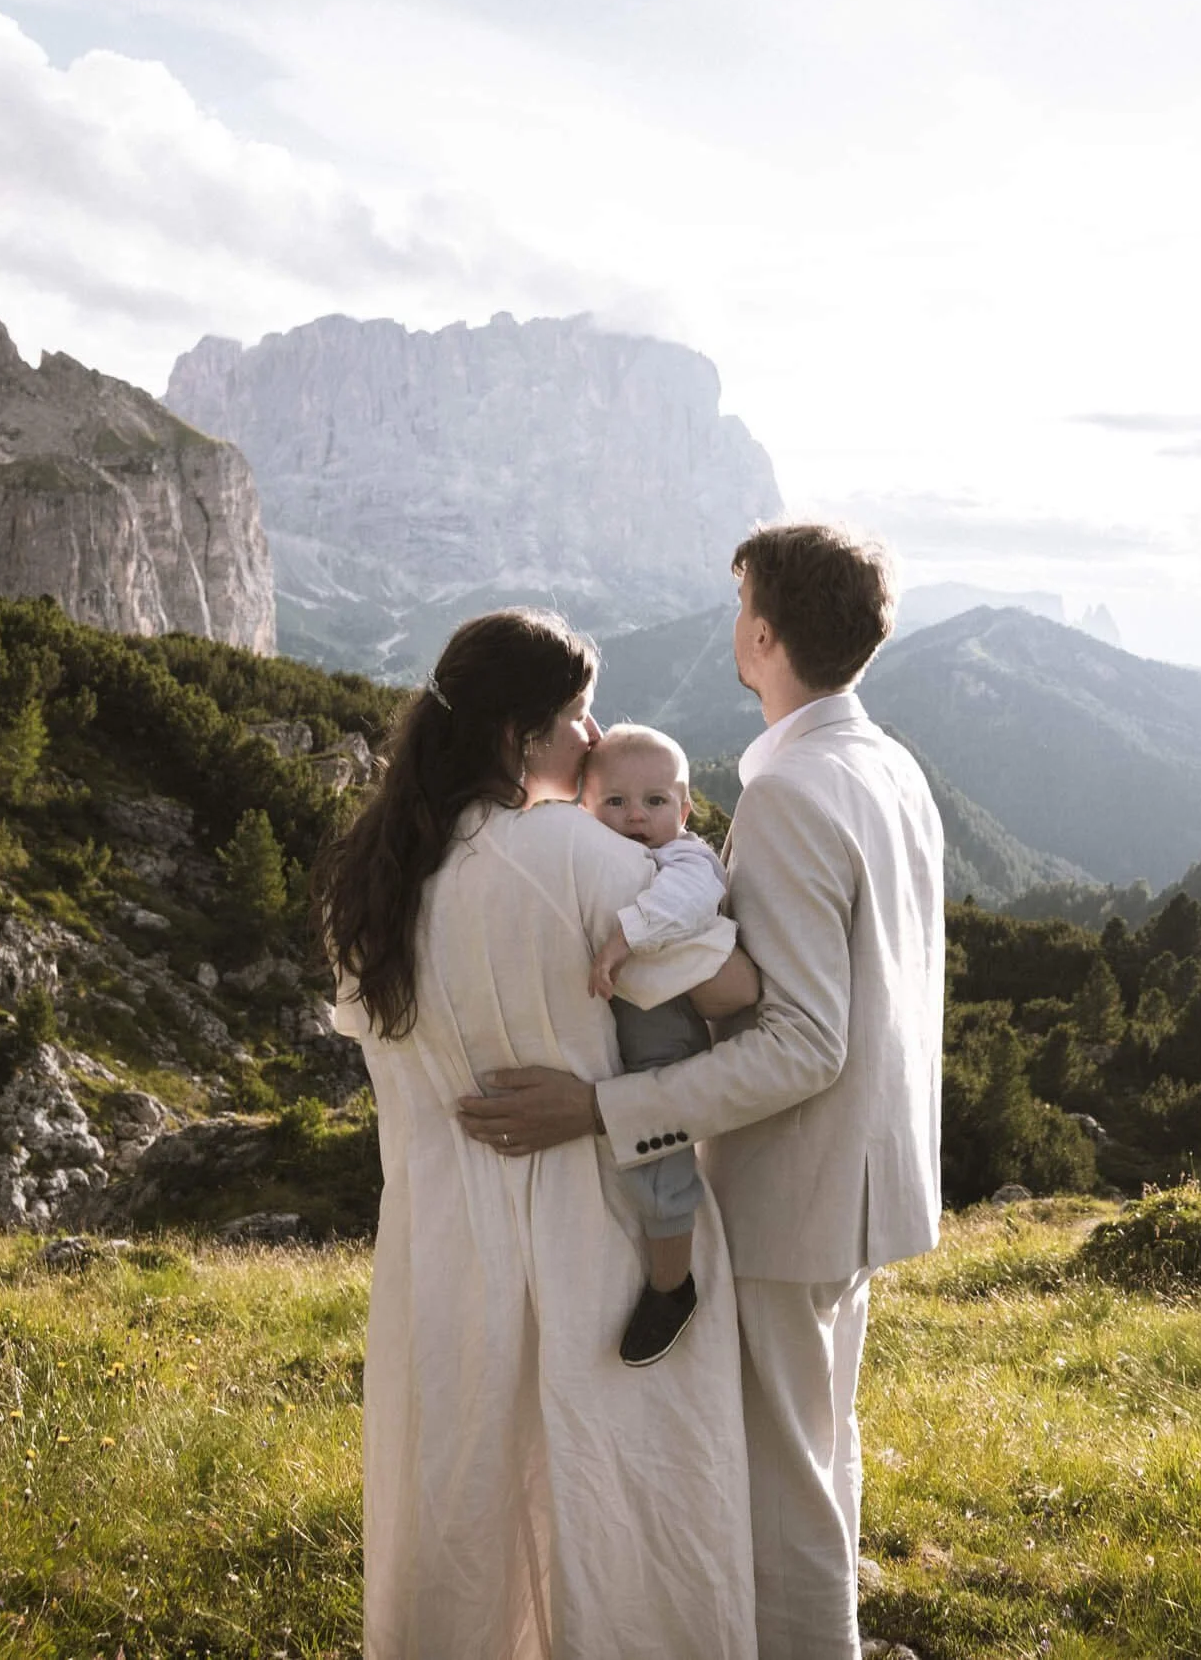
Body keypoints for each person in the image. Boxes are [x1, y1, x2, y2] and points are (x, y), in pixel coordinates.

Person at [468, 524, 948, 1660]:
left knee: (785, 1492)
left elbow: (801, 1045)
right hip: (872, 1176)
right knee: (821, 1451)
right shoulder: (890, 764)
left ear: (765, 633)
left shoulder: (788, 788)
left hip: (796, 1183)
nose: (733, 626)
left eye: (740, 607)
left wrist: (601, 1107)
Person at [318, 607, 766, 1659]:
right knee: (628, 1504)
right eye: (573, 713)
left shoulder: (375, 879)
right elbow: (732, 989)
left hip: (438, 1231)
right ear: (521, 737)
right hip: (592, 1219)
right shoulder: (572, 852)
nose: (593, 730)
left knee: (466, 1503)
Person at [579, 721, 726, 1365]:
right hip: (615, 1033)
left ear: (685, 810)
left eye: (655, 802)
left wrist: (625, 936)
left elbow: (692, 900)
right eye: (615, 802)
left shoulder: (686, 858)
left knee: (661, 1163)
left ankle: (673, 1284)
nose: (636, 816)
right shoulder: (592, 846)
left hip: (665, 1032)